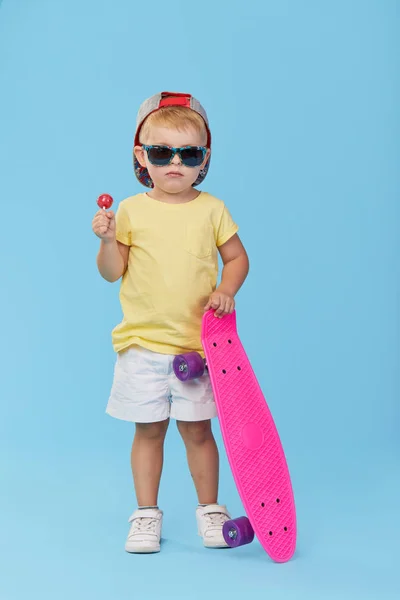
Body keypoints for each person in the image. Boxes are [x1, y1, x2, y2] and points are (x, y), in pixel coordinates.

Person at [92, 91, 249, 553]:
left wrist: (227, 289)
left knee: (199, 430)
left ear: (205, 158)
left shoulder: (213, 209)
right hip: (141, 345)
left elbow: (238, 258)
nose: (175, 163)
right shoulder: (130, 211)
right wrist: (105, 240)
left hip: (199, 348)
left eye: (189, 153)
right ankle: (145, 515)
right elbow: (111, 272)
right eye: (161, 152)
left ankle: (210, 510)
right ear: (142, 155)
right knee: (149, 430)